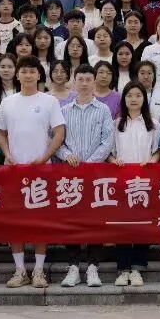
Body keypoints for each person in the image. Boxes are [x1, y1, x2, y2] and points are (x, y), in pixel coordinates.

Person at [0, 56, 67, 289]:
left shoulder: (49, 101)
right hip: (14, 171)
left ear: (39, 75)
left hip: (41, 172)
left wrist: (45, 157)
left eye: (32, 71)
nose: (28, 75)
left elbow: (59, 132)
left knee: (40, 222)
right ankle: (20, 270)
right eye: (24, 71)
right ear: (17, 75)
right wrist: (7, 154)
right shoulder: (8, 102)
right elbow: (1, 133)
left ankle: (38, 270)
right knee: (14, 223)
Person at [56, 65, 116, 289]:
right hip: (70, 174)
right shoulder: (64, 111)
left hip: (96, 173)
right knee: (70, 219)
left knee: (95, 219)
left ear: (94, 82)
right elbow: (56, 141)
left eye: (88, 79)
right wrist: (67, 155)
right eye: (80, 79)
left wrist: (89, 164)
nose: (83, 83)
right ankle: (73, 266)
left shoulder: (103, 110)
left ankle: (93, 266)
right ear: (73, 81)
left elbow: (107, 141)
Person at [110, 82, 160, 287]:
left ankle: (138, 268)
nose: (133, 99)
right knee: (122, 225)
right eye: (129, 95)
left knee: (142, 225)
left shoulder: (153, 124)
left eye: (138, 95)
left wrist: (152, 161)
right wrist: (114, 161)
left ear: (144, 99)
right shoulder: (116, 124)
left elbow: (158, 151)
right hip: (121, 182)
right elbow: (109, 153)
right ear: (124, 99)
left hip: (144, 183)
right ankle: (123, 269)